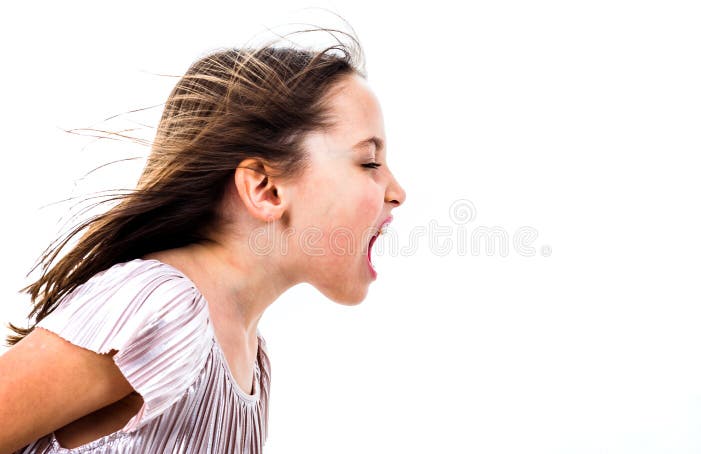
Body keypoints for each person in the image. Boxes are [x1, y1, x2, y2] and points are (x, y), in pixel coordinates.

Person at [0, 27, 406, 453]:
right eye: (369, 162)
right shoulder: (161, 305)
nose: (397, 191)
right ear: (266, 189)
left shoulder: (252, 361)